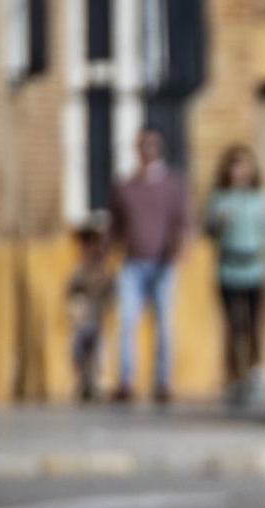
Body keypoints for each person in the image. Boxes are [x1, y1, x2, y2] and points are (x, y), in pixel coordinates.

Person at [205, 145, 265, 409]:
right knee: (233, 326)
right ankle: (234, 379)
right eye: (234, 166)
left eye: (244, 166)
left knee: (254, 325)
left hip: (255, 268)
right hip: (229, 267)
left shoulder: (260, 198)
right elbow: (207, 230)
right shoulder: (220, 198)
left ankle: (256, 375)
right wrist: (218, 222)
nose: (239, 171)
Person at [109, 126, 188, 403]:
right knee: (127, 322)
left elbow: (184, 222)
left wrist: (180, 249)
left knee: (165, 324)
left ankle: (163, 382)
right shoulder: (125, 187)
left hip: (163, 265)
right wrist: (106, 257)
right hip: (133, 264)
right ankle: (127, 381)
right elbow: (114, 227)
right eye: (143, 145)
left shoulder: (173, 185)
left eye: (152, 145)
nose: (147, 151)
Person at [67, 219, 116, 402]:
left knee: (98, 353)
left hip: (98, 321)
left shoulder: (104, 273)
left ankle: (97, 384)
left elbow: (111, 295)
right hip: (82, 322)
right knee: (78, 351)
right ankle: (82, 382)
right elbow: (72, 294)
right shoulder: (78, 273)